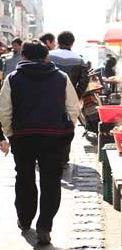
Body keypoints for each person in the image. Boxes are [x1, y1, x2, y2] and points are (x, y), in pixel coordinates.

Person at [0, 40, 80, 245]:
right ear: (46, 57)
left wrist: (11, 134)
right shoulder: (61, 78)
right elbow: (73, 109)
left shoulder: (13, 78)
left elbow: (4, 111)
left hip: (23, 137)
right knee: (51, 181)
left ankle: (25, 220)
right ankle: (45, 227)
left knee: (25, 178)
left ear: (23, 56)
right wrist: (66, 131)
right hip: (54, 137)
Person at [49, 31, 89, 168]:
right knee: (67, 127)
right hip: (68, 100)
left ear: (58, 42)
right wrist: (76, 96)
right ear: (72, 42)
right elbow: (84, 80)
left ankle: (47, 154)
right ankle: (63, 158)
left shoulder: (48, 56)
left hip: (47, 97)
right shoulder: (79, 59)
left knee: (48, 125)